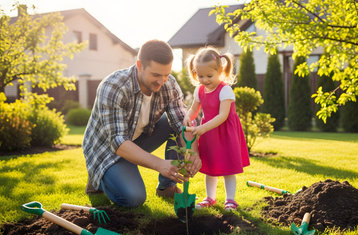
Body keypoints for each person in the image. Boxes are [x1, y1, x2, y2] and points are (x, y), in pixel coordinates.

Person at [82, 40, 201, 208]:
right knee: (133, 198)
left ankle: (167, 186)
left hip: (137, 139)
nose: (162, 81)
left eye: (166, 74)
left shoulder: (169, 84)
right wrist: (159, 164)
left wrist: (192, 152)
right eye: (156, 75)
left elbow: (183, 123)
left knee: (177, 123)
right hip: (107, 151)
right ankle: (98, 177)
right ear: (139, 65)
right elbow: (118, 142)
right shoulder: (114, 86)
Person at [183, 47, 250, 211]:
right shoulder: (199, 90)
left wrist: (202, 127)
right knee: (210, 167)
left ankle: (230, 200)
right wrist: (187, 117)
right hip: (208, 133)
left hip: (224, 133)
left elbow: (223, 116)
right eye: (200, 76)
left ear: (220, 71)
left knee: (227, 167)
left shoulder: (225, 90)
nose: (204, 80)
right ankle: (210, 198)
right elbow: (194, 110)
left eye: (209, 76)